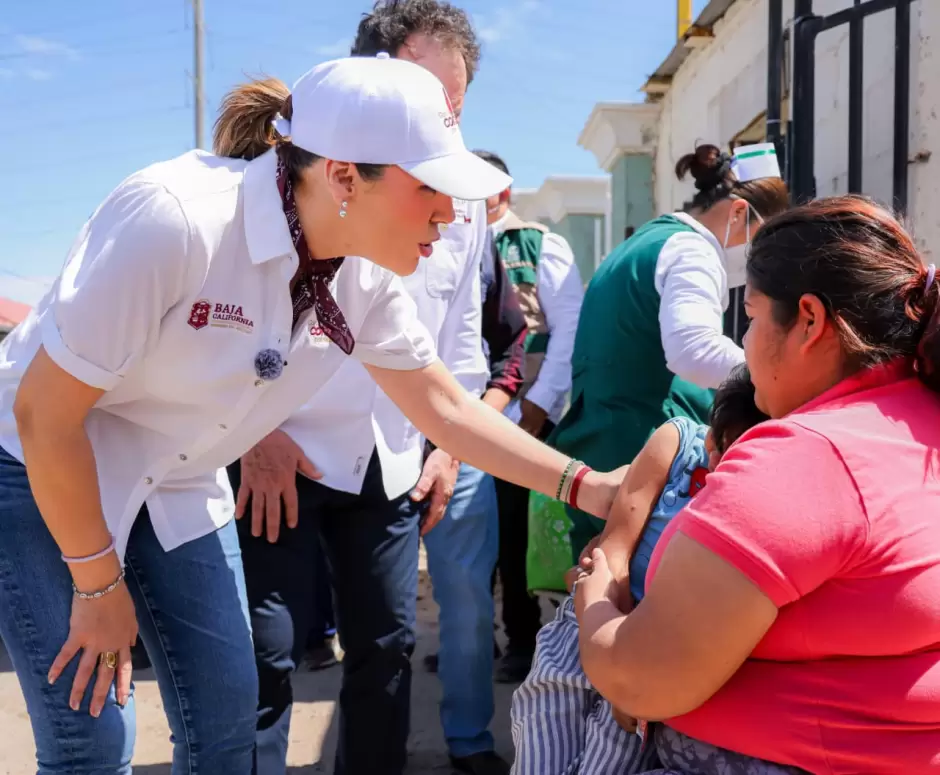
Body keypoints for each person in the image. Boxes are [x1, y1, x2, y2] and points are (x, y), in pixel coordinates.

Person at [0, 55, 624, 775]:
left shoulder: (361, 272)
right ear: (343, 177)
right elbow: (44, 413)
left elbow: (446, 410)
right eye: (430, 187)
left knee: (229, 715)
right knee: (92, 737)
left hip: (173, 478)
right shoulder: (178, 220)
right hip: (43, 465)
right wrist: (96, 583)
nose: (451, 215)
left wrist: (589, 486)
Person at [228, 4, 525, 774]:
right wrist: (251, 433)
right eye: (426, 102)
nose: (441, 131)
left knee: (388, 649)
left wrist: (449, 450)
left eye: (454, 113)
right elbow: (222, 330)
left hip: (391, 458)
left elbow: (458, 345)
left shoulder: (457, 209)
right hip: (280, 455)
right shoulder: (282, 189)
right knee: (266, 656)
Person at [574, 196, 940, 774]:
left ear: (811, 322)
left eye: (751, 317)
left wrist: (594, 598)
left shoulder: (808, 458)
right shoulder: (917, 420)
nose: (743, 343)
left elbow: (640, 679)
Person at [511, 365, 767, 775]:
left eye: (737, 452)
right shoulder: (678, 444)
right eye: (718, 441)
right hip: (585, 635)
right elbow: (611, 556)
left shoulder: (765, 498)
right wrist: (618, 667)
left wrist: (633, 681)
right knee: (541, 753)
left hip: (655, 675)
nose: (717, 460)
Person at [548, 142, 789, 566]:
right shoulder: (693, 251)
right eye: (762, 240)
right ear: (737, 214)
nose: (760, 260)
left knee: (594, 585)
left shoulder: (646, 241)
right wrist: (780, 379)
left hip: (602, 441)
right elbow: (694, 351)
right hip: (639, 453)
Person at [474, 149, 585, 682]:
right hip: (460, 410)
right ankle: (474, 639)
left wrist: (542, 404)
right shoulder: (444, 237)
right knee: (471, 536)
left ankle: (523, 637)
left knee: (516, 531)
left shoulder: (539, 244)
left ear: (504, 190)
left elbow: (568, 326)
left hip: (523, 411)